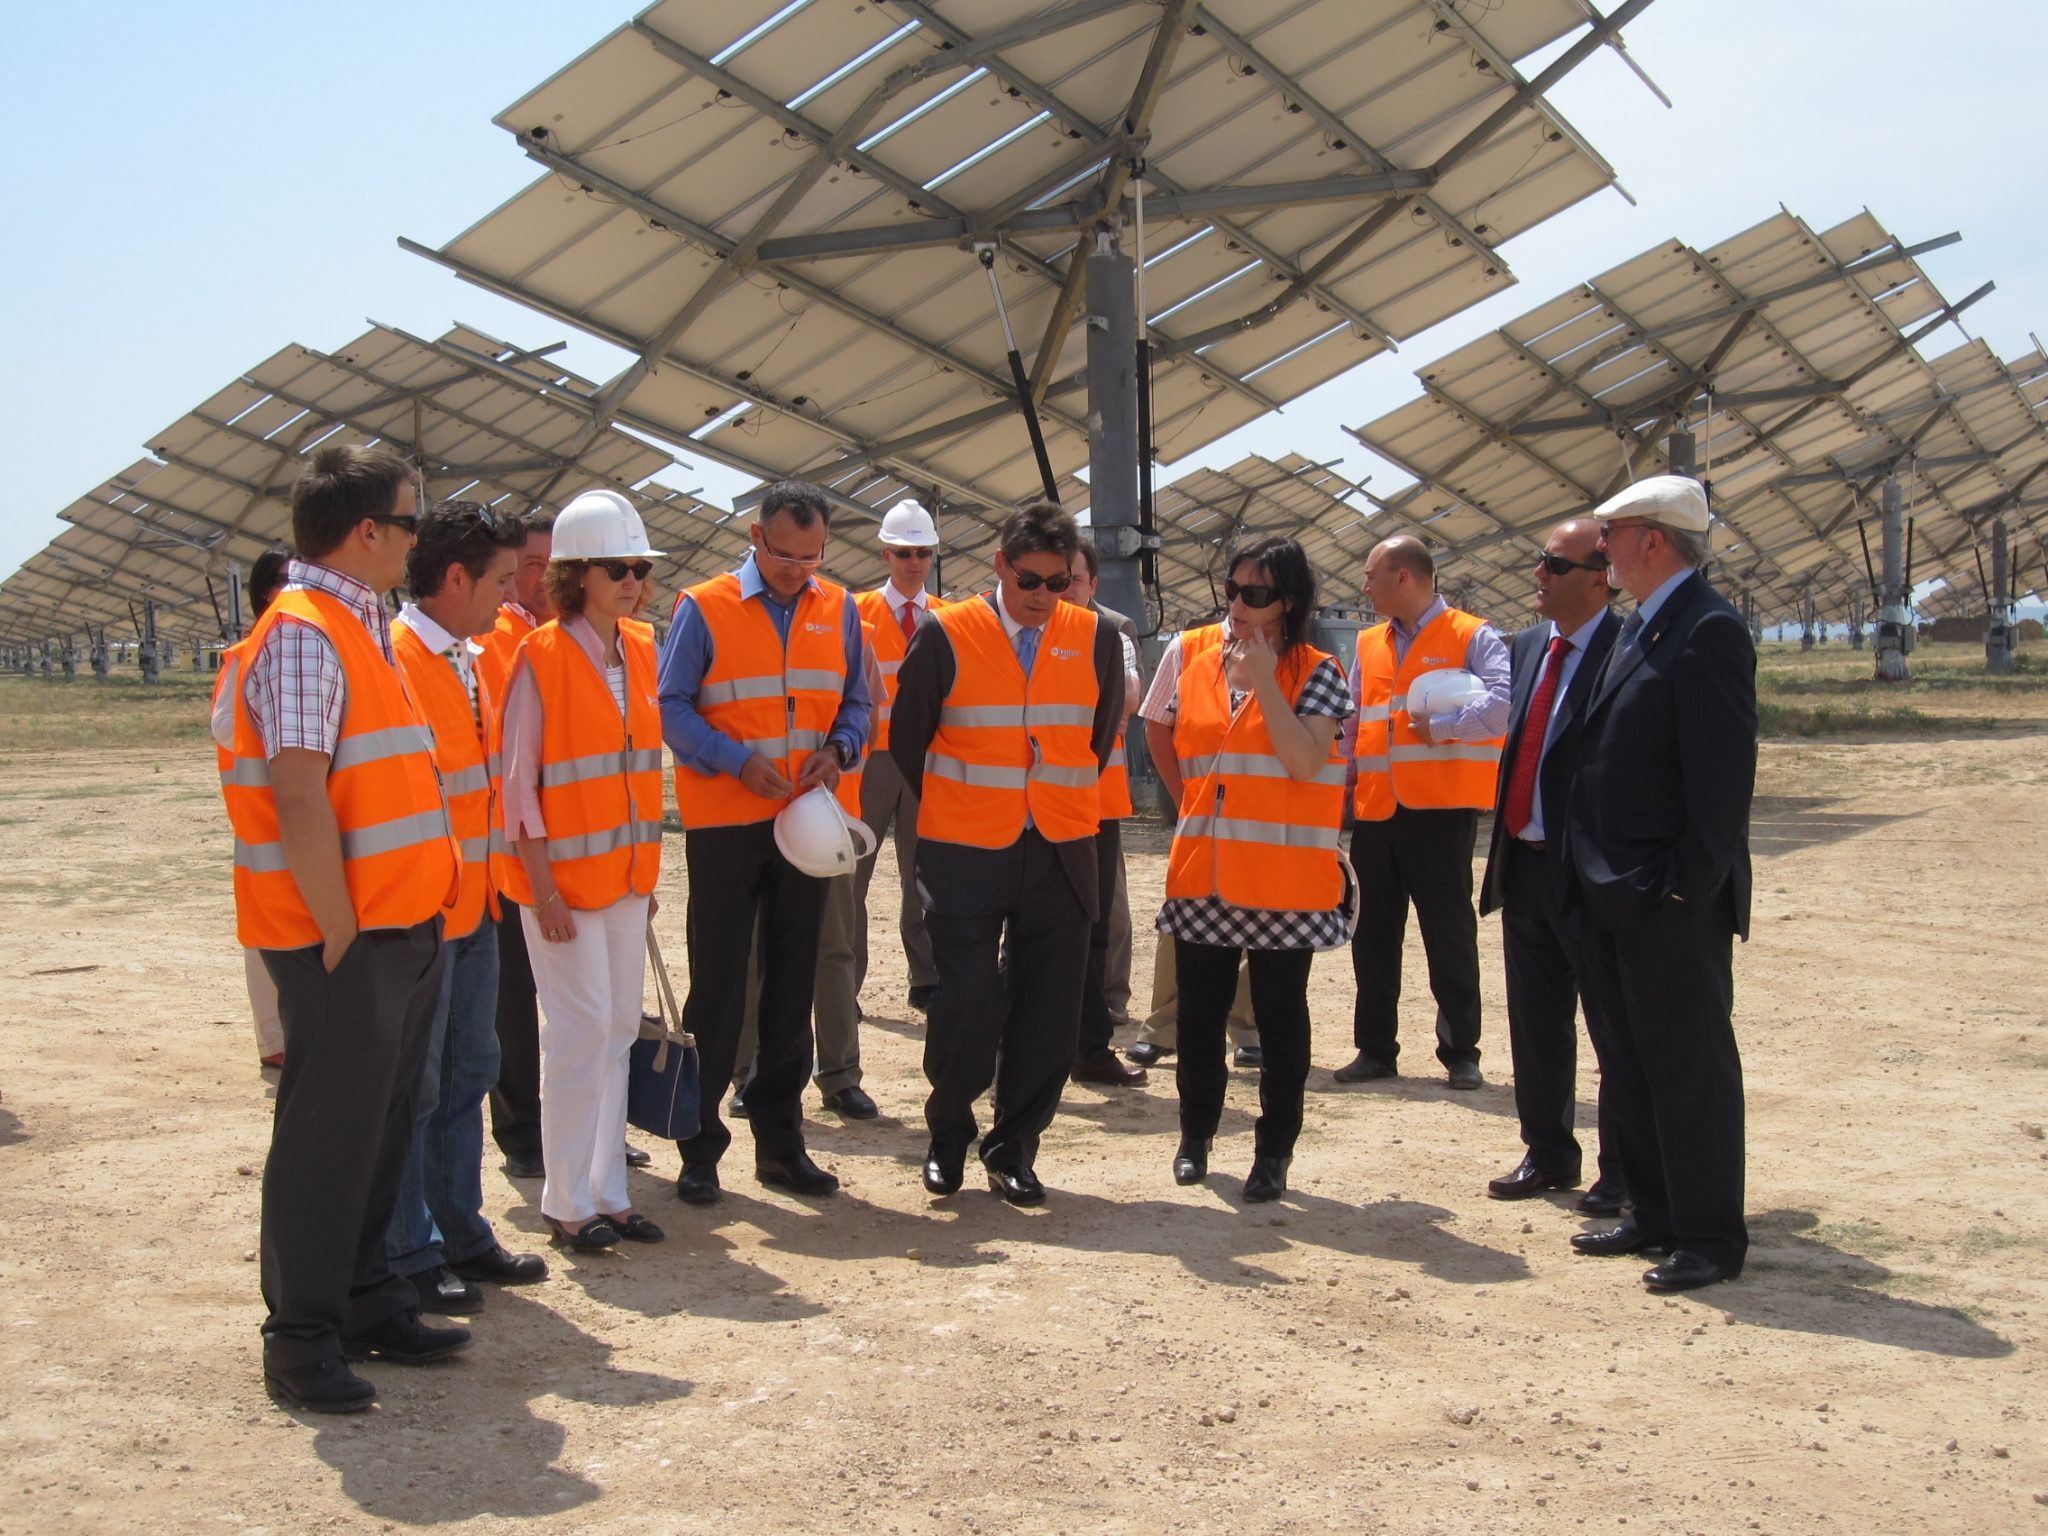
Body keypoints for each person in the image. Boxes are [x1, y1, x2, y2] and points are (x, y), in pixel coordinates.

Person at [217, 444, 468, 1414]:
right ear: (367, 531)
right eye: (409, 522)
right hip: (348, 939)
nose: (415, 540)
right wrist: (336, 931)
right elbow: (298, 791)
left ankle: (367, 1298)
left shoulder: (357, 627)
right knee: (327, 1138)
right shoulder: (302, 633)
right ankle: (302, 1337)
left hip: (400, 925)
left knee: (379, 1126)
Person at [889, 500, 1124, 1205]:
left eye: (1058, 583)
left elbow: (1098, 737)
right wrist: (967, 799)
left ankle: (1013, 1147)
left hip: (1061, 848)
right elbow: (908, 740)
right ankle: (948, 1130)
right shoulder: (945, 633)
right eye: (1029, 581)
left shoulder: (1097, 638)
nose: (1043, 597)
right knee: (965, 1000)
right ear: (999, 565)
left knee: (1049, 1011)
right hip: (964, 850)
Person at [1562, 475, 1755, 1292]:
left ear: (1652, 540)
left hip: (1667, 897)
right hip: (1611, 890)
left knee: (1690, 1066)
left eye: (1612, 533)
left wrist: (1683, 888)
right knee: (1631, 1061)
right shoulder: (1644, 624)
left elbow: (1721, 784)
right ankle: (1653, 1211)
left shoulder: (1708, 629)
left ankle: (1709, 1236)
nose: (1601, 547)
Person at [657, 480, 870, 1205]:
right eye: (785, 555)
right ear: (756, 537)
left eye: (812, 558)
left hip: (804, 826)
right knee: (718, 989)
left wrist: (839, 751)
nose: (797, 570)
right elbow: (671, 707)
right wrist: (732, 759)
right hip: (725, 824)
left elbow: (859, 703)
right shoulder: (703, 606)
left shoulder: (839, 609)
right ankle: (699, 1149)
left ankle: (781, 1147)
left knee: (791, 986)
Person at [1145, 536, 1351, 1202]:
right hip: (1204, 870)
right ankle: (1195, 1136)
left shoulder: (1319, 671)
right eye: (1231, 590)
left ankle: (1274, 1151)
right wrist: (1190, 805)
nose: (1236, 603)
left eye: (1254, 593)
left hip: (1283, 880)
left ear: (1287, 602)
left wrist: (1264, 680)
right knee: (1198, 1014)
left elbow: (1304, 761)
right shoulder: (1191, 657)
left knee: (1279, 1017)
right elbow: (1166, 736)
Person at [387, 501, 549, 1310]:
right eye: (500, 580)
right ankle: (410, 1249)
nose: (511, 595)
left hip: (476, 905)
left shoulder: (474, 658)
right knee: (416, 1090)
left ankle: (461, 1230)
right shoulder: (394, 661)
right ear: (457, 579)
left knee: (469, 1073)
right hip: (421, 914)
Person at [497, 490, 668, 1250]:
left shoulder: (642, 649)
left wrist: (643, 877)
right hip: (561, 888)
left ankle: (609, 1192)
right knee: (579, 1031)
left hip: (626, 881)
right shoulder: (539, 656)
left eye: (639, 568)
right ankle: (565, 1200)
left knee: (619, 1029)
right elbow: (519, 788)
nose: (631, 580)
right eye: (615, 567)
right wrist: (542, 892)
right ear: (575, 575)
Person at [1477, 518, 1625, 1214]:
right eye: (1540, 560)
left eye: (1555, 565)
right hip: (1527, 863)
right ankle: (1547, 1151)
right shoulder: (1531, 645)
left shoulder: (1628, 648)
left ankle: (1621, 1169)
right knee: (1535, 1023)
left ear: (1600, 580)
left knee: (1612, 1028)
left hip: (1589, 871)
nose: (1538, 574)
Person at [1336, 535, 1508, 1090]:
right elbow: (1353, 722)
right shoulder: (1368, 643)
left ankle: (1461, 1051)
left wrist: (1444, 728)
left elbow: (1505, 701)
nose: (1365, 587)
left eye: (1372, 576)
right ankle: (1374, 1049)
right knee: (1372, 935)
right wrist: (1340, 790)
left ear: (1404, 576)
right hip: (1376, 811)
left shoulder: (1472, 635)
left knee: (1448, 932)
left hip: (1441, 812)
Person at [475, 510, 552, 1181]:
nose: (545, 579)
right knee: (514, 999)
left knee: (582, 1003)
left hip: (579, 845)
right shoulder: (489, 639)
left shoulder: (589, 638)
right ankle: (522, 1131)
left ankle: (584, 1129)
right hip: (507, 847)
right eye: (532, 566)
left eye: (558, 566)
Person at [850, 500, 945, 1019]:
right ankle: (845, 984)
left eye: (923, 553)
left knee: (923, 873)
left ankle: (926, 977)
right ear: (885, 554)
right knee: (851, 874)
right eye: (905, 553)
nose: (914, 562)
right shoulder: (853, 612)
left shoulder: (950, 618)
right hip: (870, 761)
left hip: (928, 761)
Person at [1061, 535, 1147, 1088]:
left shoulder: (1111, 632)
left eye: (1070, 579)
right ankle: (1013, 1049)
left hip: (1095, 802)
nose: (1060, 589)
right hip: (1030, 803)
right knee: (1024, 928)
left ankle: (1090, 1048)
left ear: (1092, 583)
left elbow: (1129, 698)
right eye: (1051, 578)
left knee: (1092, 925)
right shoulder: (1023, 631)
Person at [214, 547, 290, 1069]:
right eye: (286, 578)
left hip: (303, 808)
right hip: (262, 814)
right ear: (265, 590)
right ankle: (274, 1041)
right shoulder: (246, 654)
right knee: (266, 932)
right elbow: (224, 725)